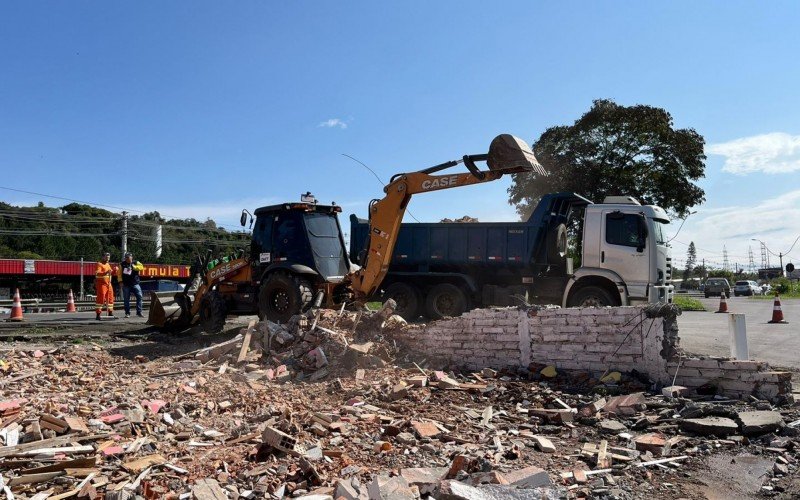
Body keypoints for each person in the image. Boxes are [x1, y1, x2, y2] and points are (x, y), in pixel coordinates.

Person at [117, 252, 145, 318]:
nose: (127, 259)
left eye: (128, 257)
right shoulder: (122, 264)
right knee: (126, 299)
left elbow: (141, 267)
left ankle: (139, 312)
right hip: (126, 284)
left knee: (140, 297)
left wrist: (134, 267)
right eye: (126, 257)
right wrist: (120, 282)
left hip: (135, 283)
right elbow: (119, 274)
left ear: (131, 257)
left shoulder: (136, 262)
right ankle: (127, 313)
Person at [95, 252, 116, 320]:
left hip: (108, 284)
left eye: (109, 258)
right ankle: (98, 314)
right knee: (101, 298)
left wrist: (115, 271)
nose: (108, 259)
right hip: (102, 284)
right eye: (106, 257)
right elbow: (98, 273)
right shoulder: (99, 264)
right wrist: (106, 272)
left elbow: (110, 273)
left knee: (110, 298)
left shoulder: (107, 264)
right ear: (103, 257)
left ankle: (110, 312)